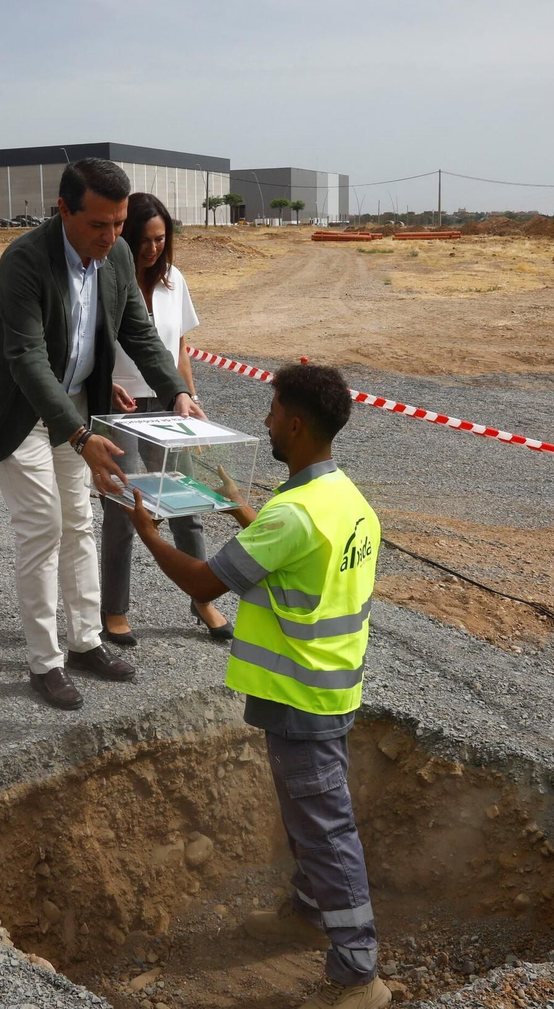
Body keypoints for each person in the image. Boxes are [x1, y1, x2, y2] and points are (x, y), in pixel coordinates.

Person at [125, 362, 388, 1009]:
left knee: (325, 829)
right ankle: (307, 912)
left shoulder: (293, 515)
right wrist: (243, 510)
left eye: (271, 413)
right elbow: (293, 556)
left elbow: (202, 584)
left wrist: (149, 534)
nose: (264, 422)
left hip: (301, 698)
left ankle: (360, 974)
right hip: (329, 688)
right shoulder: (344, 500)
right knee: (310, 820)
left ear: (295, 426)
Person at [0, 158, 201, 710]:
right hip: (21, 412)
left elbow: (137, 330)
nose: (113, 237)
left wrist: (175, 392)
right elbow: (25, 356)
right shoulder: (23, 259)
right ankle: (45, 663)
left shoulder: (115, 254)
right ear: (64, 209)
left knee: (80, 523)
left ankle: (87, 641)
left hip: (74, 410)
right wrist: (77, 435)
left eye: (119, 224)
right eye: (99, 224)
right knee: (43, 527)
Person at [98, 193, 232, 647]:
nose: (152, 249)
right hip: (119, 409)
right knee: (124, 511)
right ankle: (114, 611)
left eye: (160, 239)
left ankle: (201, 598)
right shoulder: (106, 277)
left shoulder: (175, 281)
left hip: (169, 407)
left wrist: (189, 398)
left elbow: (179, 352)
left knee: (188, 503)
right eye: (143, 240)